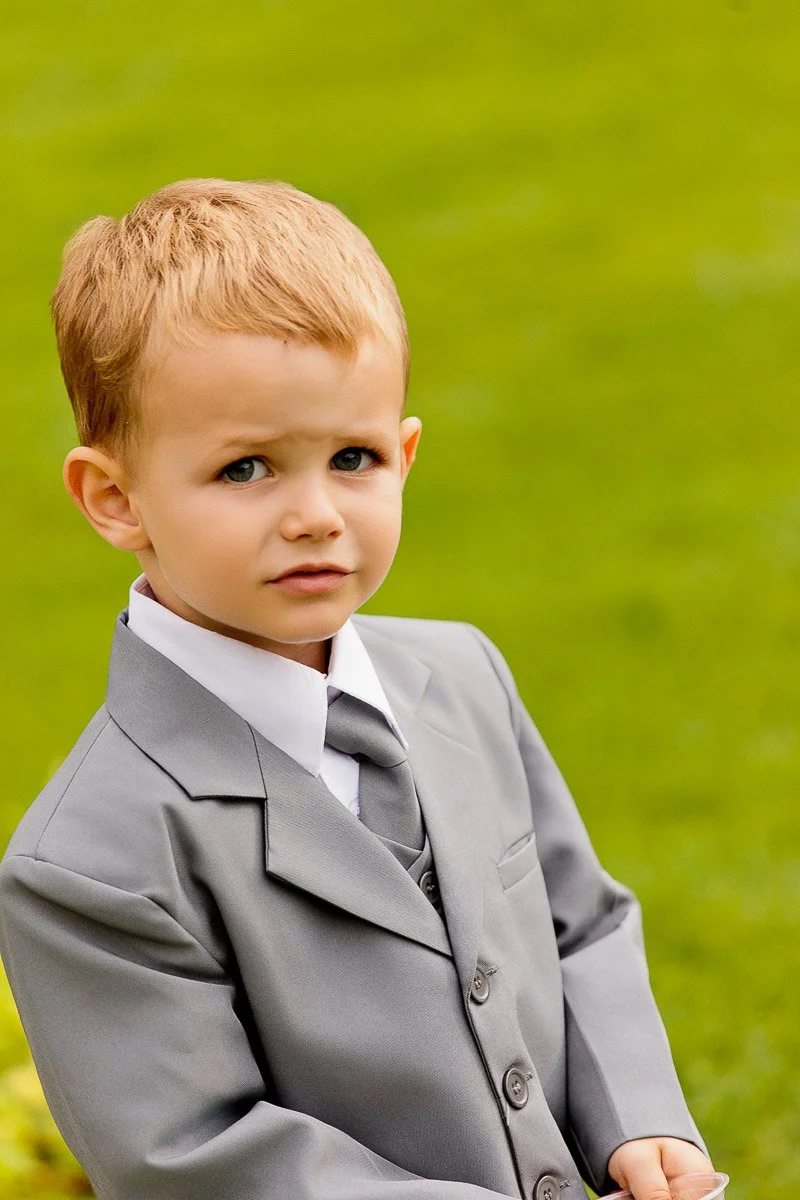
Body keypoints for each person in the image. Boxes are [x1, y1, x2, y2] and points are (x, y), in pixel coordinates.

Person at [0, 179, 713, 1200]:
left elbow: (579, 925)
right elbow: (198, 1161)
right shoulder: (88, 864)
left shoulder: (462, 675)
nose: (315, 515)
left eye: (352, 458)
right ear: (115, 498)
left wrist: (639, 1124)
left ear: (405, 455)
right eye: (246, 469)